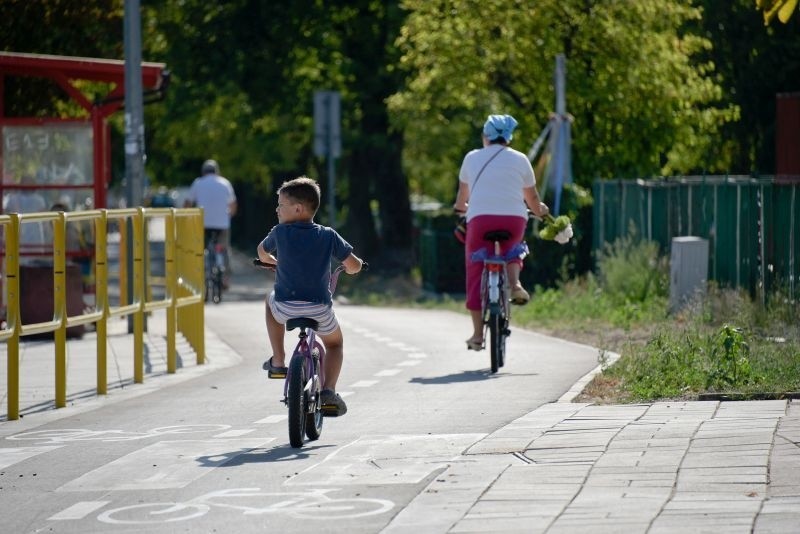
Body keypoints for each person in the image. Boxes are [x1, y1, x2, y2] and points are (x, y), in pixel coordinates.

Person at [257, 176, 363, 417]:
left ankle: (278, 360)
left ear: (297, 208)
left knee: (269, 302)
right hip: (319, 309)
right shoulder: (328, 235)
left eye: (281, 205)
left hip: (285, 306)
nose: (277, 209)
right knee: (335, 343)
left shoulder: (280, 233)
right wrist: (352, 268)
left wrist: (274, 262)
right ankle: (329, 390)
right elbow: (353, 265)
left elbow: (261, 252)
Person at [453, 114, 550, 351]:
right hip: (514, 219)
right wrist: (540, 211)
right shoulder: (521, 159)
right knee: (513, 248)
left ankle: (477, 336)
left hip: (479, 220)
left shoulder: (471, 158)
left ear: (486, 136)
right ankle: (515, 284)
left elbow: (461, 199)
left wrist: (460, 209)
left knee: (475, 271)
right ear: (508, 138)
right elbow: (533, 199)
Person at [184, 159, 237, 285]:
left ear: (203, 172)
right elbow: (233, 205)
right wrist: (228, 216)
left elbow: (188, 203)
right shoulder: (225, 183)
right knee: (224, 249)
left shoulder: (198, 183)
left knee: (200, 248)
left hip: (202, 224)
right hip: (222, 224)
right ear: (217, 171)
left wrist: (187, 217)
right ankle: (225, 279)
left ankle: (199, 277)